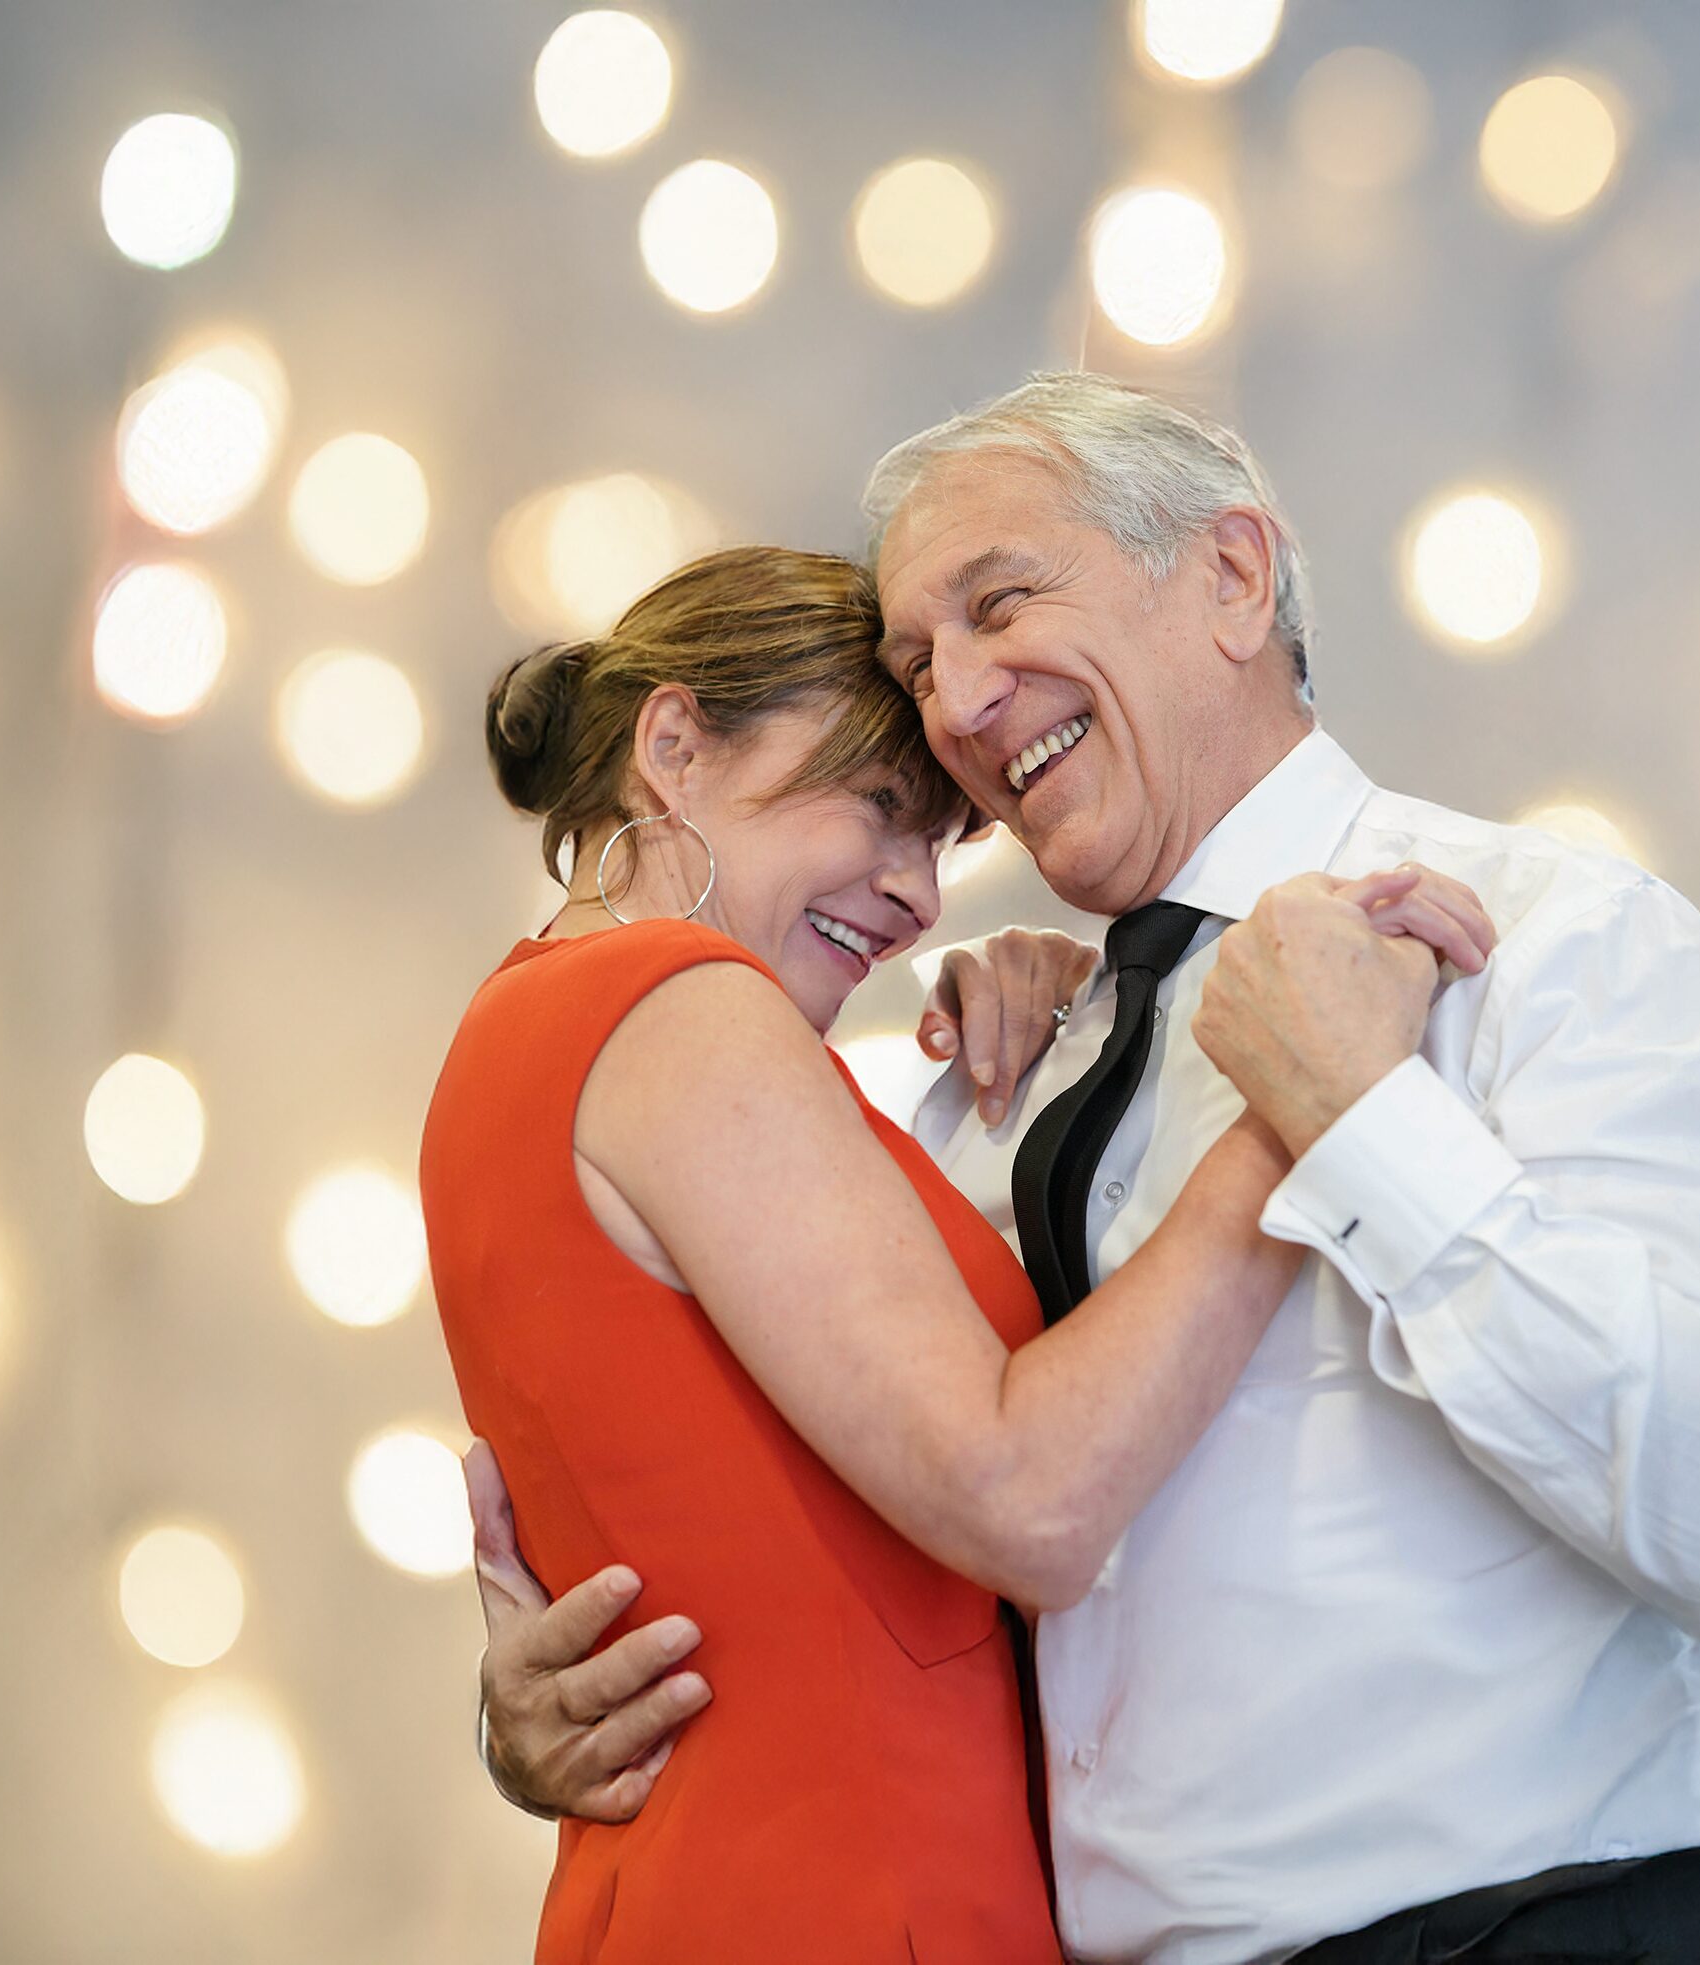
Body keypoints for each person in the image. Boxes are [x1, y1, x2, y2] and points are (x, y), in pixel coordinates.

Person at [475, 377, 1700, 1965]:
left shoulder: (1556, 941)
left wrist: (1362, 1119)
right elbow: (910, 1509)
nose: (956, 701)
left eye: (1000, 603)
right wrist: (548, 1705)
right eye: (916, 665)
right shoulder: (998, 1072)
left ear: (1235, 578)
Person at [419, 543, 1489, 1963]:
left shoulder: (532, 1032)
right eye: (879, 805)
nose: (922, 895)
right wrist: (1301, 1099)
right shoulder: (677, 1008)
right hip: (854, 1903)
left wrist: (1081, 1040)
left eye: (943, 840)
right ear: (672, 749)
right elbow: (1027, 1496)